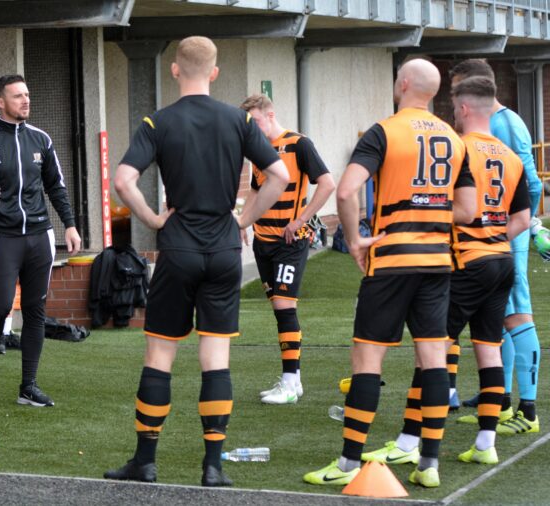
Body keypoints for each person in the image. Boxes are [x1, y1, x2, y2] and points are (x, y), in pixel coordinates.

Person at [103, 36, 289, 487]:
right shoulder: (240, 118)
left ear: (173, 70)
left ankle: (145, 462)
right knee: (216, 358)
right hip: (224, 250)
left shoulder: (157, 121)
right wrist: (242, 218)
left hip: (179, 247)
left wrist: (152, 218)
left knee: (160, 354)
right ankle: (213, 467)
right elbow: (279, 176)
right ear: (215, 72)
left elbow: (123, 179)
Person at [303, 59, 476, 489]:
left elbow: (345, 191)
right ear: (434, 94)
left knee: (367, 359)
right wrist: (428, 212)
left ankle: (347, 464)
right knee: (434, 359)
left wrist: (355, 239)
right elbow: (469, 211)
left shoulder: (385, 130)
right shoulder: (454, 140)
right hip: (437, 262)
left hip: (391, 260)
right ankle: (429, 464)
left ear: (401, 84)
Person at [361, 76, 531, 469]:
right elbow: (522, 217)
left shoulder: (458, 147)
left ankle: (408, 440)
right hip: (501, 260)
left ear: (465, 109)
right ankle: (486, 442)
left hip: (464, 262)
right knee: (488, 350)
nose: (453, 115)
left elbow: (445, 204)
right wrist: (491, 237)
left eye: (454, 108)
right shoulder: (510, 156)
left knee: (431, 355)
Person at [0, 74, 82, 407]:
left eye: (27, 95)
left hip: (39, 235)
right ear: (0, 102)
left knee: (34, 309)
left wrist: (70, 226)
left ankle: (28, 386)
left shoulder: (41, 139)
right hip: (1, 235)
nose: (26, 100)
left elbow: (56, 185)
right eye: (18, 96)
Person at [450, 59, 542, 434]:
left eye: (457, 93)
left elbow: (531, 181)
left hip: (501, 238)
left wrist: (522, 228)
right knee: (495, 318)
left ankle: (529, 409)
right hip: (492, 239)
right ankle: (499, 401)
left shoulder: (507, 123)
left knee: (518, 313)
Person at [238, 93, 335, 405]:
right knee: (279, 310)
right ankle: (293, 380)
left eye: (254, 121)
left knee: (284, 305)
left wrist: (302, 220)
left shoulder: (299, 144)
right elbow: (255, 191)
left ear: (270, 114)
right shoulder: (258, 152)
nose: (251, 128)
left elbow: (328, 184)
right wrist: (243, 222)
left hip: (290, 242)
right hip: (263, 242)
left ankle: (290, 381)